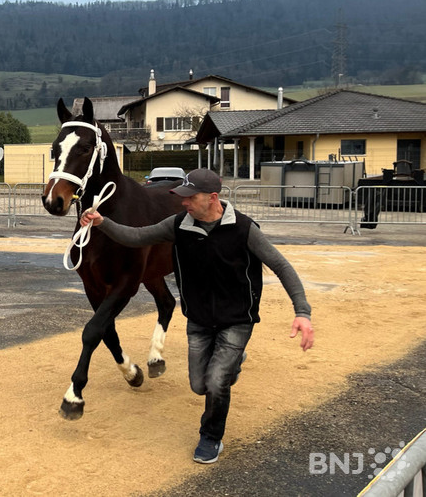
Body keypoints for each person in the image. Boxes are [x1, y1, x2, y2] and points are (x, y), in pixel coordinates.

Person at [80, 168, 314, 464]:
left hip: (236, 318)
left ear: (212, 198)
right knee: (199, 385)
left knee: (216, 382)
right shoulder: (178, 225)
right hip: (200, 320)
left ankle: (210, 437)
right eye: (183, 197)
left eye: (190, 198)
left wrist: (302, 312)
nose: (184, 202)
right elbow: (137, 237)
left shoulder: (244, 229)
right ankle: (232, 365)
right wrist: (102, 223)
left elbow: (281, 266)